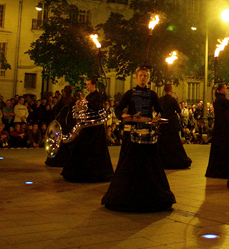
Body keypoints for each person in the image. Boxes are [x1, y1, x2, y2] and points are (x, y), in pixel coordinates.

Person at [102, 66, 175, 212]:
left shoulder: (152, 94)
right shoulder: (129, 94)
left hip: (147, 133)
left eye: (145, 75)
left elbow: (160, 111)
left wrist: (156, 119)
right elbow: (118, 109)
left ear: (148, 78)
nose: (143, 78)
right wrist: (123, 116)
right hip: (131, 133)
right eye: (141, 75)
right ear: (136, 77)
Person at [61, 78, 114, 183]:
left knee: (94, 149)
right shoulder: (89, 96)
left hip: (95, 129)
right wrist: (80, 104)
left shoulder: (98, 96)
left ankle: (94, 174)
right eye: (86, 84)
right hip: (87, 127)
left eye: (89, 84)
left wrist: (85, 103)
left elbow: (96, 107)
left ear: (94, 85)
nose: (87, 86)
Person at [205, 83, 229, 178]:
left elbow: (227, 104)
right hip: (225, 126)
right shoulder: (221, 99)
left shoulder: (219, 99)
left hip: (220, 126)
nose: (226, 90)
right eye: (225, 88)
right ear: (221, 90)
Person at [156, 84, 192, 169]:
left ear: (164, 90)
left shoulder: (161, 99)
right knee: (174, 141)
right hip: (171, 123)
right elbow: (178, 110)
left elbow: (158, 109)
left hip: (163, 122)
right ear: (171, 90)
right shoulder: (172, 100)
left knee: (163, 141)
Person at [45, 85, 76, 167]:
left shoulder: (63, 100)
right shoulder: (71, 100)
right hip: (69, 124)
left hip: (63, 123)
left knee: (61, 142)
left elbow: (55, 111)